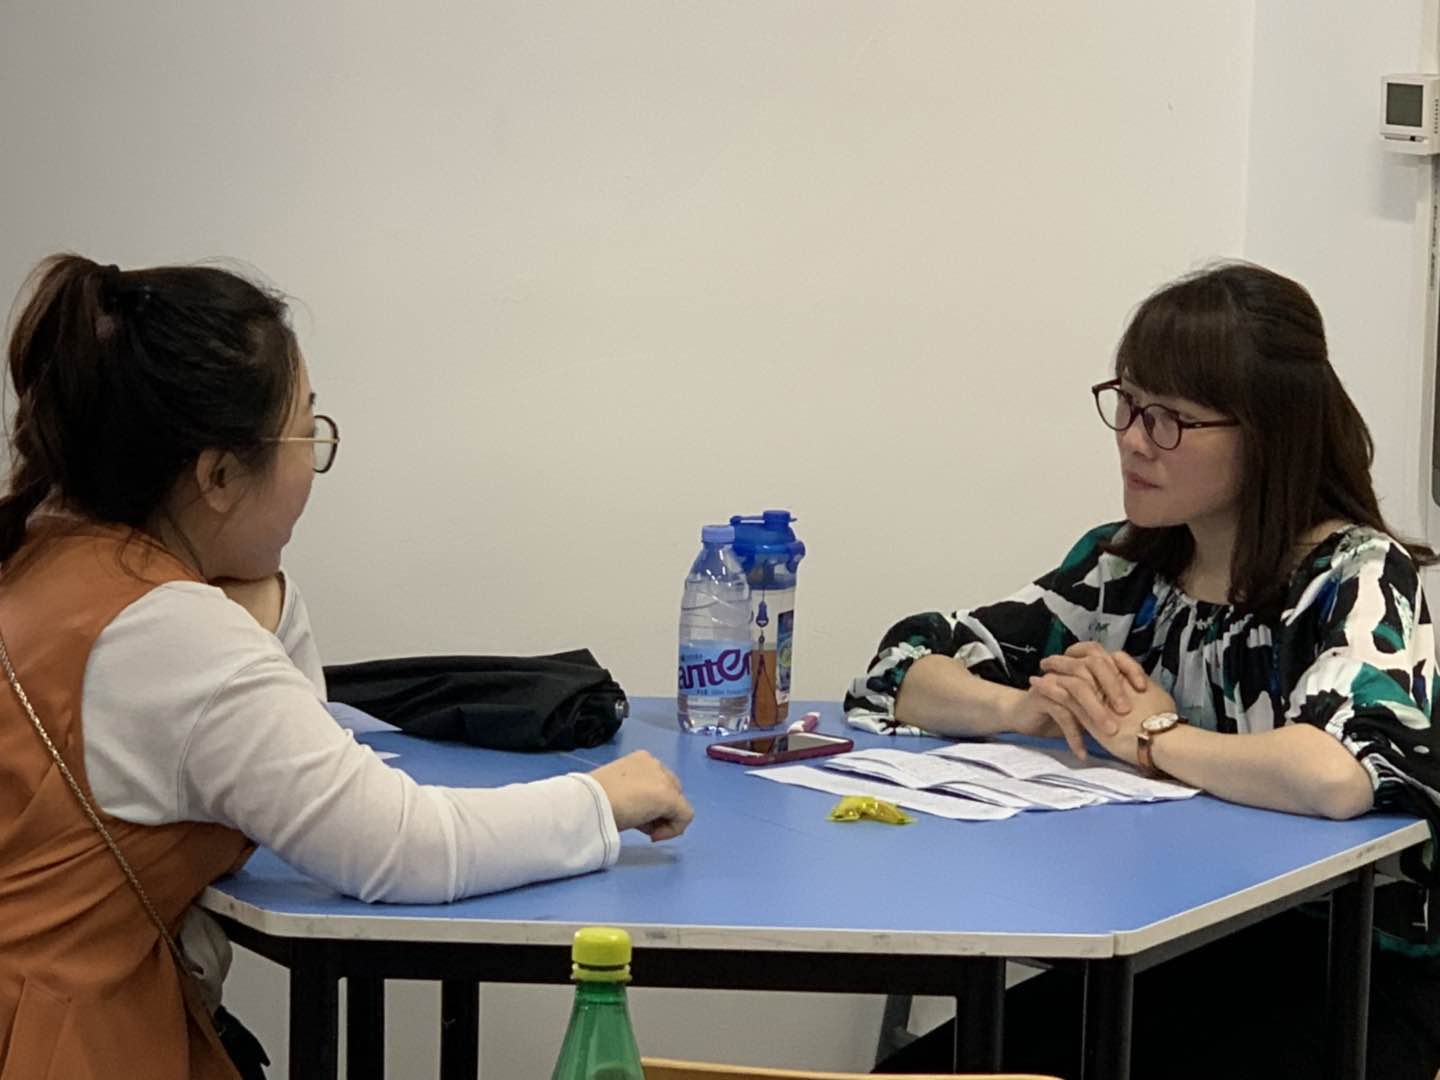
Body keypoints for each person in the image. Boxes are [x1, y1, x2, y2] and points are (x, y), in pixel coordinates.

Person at [0, 255, 694, 1080]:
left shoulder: (46, 554)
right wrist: (601, 801)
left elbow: (294, 745)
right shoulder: (171, 636)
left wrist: (259, 594)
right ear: (217, 475)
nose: (313, 461)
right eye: (306, 432)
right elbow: (399, 847)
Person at [847, 262, 1440, 1079]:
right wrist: (1029, 708)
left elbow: (1336, 773)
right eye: (1127, 403)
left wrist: (1150, 737)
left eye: (1169, 420)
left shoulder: (1353, 576)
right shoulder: (1126, 569)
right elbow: (905, 667)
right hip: (1170, 949)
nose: (1132, 437)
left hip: (1342, 973)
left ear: (1269, 431)